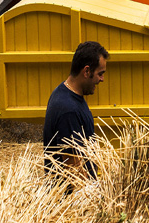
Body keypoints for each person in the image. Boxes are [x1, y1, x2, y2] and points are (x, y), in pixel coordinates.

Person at [43, 41, 108, 180]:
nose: (102, 79)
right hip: (72, 197)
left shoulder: (65, 93)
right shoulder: (68, 110)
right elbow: (73, 170)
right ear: (86, 71)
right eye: (100, 73)